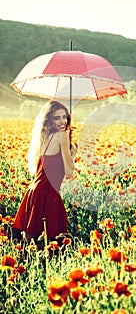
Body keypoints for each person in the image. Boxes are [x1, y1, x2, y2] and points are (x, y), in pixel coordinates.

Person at [13, 100, 78, 242]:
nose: (62, 121)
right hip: (48, 193)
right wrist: (73, 153)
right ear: (49, 120)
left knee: (30, 242)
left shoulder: (44, 137)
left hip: (34, 191)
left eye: (64, 117)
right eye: (57, 118)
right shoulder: (62, 136)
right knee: (54, 242)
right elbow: (68, 170)